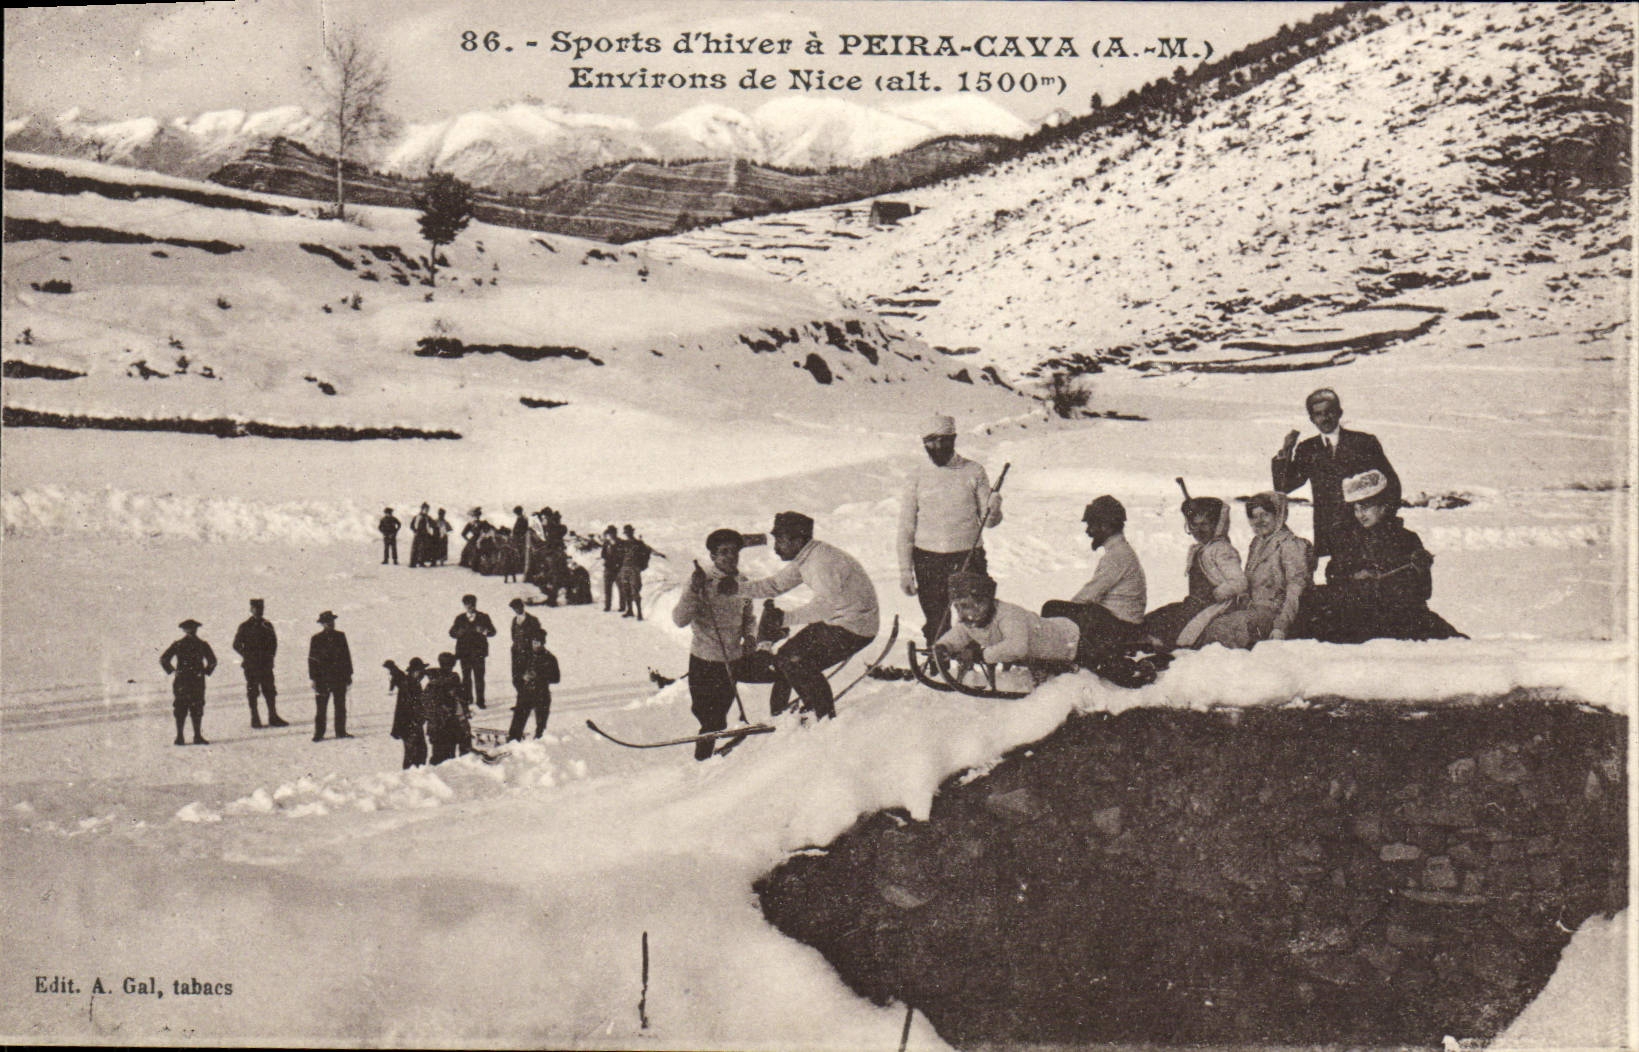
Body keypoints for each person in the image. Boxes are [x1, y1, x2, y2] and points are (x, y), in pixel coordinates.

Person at [731, 511, 879, 720]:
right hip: (839, 620)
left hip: (856, 627)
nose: (776, 547)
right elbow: (774, 585)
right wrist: (737, 589)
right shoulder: (806, 557)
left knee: (797, 662)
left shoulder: (821, 563)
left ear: (798, 540)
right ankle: (781, 715)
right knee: (786, 656)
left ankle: (823, 717)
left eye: (780, 541)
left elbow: (824, 607)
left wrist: (784, 619)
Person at [1304, 470, 1464, 643]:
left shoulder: (1406, 539)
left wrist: (1388, 581)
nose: (1360, 514)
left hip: (1397, 615)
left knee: (1449, 640)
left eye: (1365, 507)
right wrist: (1355, 578)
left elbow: (1423, 590)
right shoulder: (1347, 539)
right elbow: (1333, 575)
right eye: (1356, 509)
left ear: (1383, 505)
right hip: (1356, 612)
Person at [897, 413, 1004, 644]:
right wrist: (905, 570)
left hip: (967, 555)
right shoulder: (916, 476)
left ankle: (978, 666)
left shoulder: (974, 471)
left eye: (944, 440)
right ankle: (938, 666)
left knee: (978, 617)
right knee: (936, 621)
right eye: (931, 441)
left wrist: (994, 508)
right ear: (924, 442)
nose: (938, 446)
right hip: (927, 559)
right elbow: (906, 527)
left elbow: (989, 521)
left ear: (953, 439)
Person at [675, 529, 778, 760]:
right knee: (709, 719)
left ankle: (710, 759)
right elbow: (679, 619)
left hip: (731, 660)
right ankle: (702, 762)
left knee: (719, 716)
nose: (730, 557)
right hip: (704, 662)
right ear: (712, 556)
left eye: (734, 551)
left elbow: (749, 617)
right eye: (723, 552)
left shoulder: (742, 582)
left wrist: (750, 637)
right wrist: (693, 590)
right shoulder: (701, 582)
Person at [1272, 388, 1401, 560]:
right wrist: (1285, 452)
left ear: (1339, 413)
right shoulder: (1308, 449)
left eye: (1329, 412)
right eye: (1318, 414)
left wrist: (1382, 522)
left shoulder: (1363, 442)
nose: (1325, 418)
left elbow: (1391, 484)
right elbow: (1284, 486)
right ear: (1312, 419)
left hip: (1366, 533)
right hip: (1330, 535)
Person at [1040, 496, 1148, 658]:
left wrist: (1063, 618)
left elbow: (1086, 596)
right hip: (1124, 623)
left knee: (1052, 608)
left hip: (1121, 627)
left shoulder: (1116, 556)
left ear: (1105, 526)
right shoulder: (1121, 551)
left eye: (1091, 525)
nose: (1088, 531)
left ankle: (1055, 657)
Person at [1142, 497, 1248, 650]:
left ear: (1217, 525)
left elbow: (1239, 582)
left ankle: (1163, 649)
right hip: (1195, 603)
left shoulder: (1221, 550)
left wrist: (1216, 594)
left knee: (1173, 627)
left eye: (1205, 524)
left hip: (1213, 605)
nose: (1199, 530)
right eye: (1194, 525)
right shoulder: (1200, 549)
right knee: (1157, 617)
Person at [936, 571, 1084, 670]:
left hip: (1071, 642)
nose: (960, 612)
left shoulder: (1009, 615)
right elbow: (959, 633)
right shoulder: (973, 619)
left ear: (983, 603)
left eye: (965, 606)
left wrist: (980, 655)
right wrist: (944, 646)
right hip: (1043, 652)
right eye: (957, 607)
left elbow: (1017, 647)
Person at [1236, 492, 1314, 645]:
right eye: (1254, 516)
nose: (1259, 521)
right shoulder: (1258, 543)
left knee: (1225, 629)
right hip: (1253, 610)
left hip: (1277, 615)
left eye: (1264, 515)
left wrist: (1281, 626)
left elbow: (1295, 590)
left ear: (1278, 514)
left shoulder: (1290, 545)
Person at [231, 598, 287, 728]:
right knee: (253, 691)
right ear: (251, 609)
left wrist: (270, 657)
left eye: (261, 608)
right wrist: (248, 655)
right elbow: (236, 644)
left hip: (265, 664)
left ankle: (273, 716)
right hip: (251, 665)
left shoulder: (267, 625)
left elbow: (274, 643)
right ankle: (255, 718)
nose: (259, 611)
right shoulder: (245, 626)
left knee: (270, 690)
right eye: (256, 608)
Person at [161, 618, 216, 746]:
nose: (191, 631)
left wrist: (174, 671)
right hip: (188, 680)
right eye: (189, 629)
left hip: (188, 680)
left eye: (192, 628)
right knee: (183, 708)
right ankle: (181, 736)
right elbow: (164, 659)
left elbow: (212, 660)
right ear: (184, 630)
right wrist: (173, 671)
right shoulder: (182, 644)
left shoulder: (200, 645)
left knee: (195, 708)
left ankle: (194, 736)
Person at [308, 610, 354, 740]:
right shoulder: (316, 639)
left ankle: (341, 732)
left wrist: (349, 674)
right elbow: (312, 660)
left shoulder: (341, 636)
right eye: (327, 622)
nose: (330, 624)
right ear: (322, 624)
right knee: (321, 708)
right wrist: (314, 679)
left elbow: (346, 656)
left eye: (332, 621)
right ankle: (319, 733)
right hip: (322, 679)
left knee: (340, 706)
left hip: (339, 678)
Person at [507, 633, 560, 741]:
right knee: (517, 724)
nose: (536, 645)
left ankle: (537, 746)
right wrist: (523, 678)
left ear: (543, 643)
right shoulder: (525, 656)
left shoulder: (550, 658)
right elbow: (516, 675)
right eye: (534, 642)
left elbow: (556, 678)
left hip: (542, 694)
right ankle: (512, 743)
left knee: (541, 727)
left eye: (538, 643)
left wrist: (539, 676)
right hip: (526, 693)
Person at [449, 594, 497, 709]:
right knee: (466, 678)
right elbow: (451, 632)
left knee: (479, 678)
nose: (470, 606)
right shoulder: (460, 618)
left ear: (475, 604)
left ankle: (480, 700)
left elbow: (493, 632)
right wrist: (458, 633)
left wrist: (484, 631)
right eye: (467, 604)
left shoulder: (483, 617)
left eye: (472, 604)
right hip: (464, 653)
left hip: (478, 653)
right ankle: (468, 698)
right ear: (464, 605)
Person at [424, 652, 469, 764]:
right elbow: (461, 701)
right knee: (448, 759)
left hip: (436, 727)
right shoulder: (453, 680)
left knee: (439, 757)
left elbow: (426, 705)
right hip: (448, 726)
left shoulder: (431, 683)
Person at [386, 658, 429, 768]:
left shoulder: (411, 682)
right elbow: (413, 705)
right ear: (414, 672)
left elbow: (399, 674)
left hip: (412, 724)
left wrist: (392, 667)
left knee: (420, 752)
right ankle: (411, 777)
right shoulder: (409, 684)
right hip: (409, 725)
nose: (422, 675)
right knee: (415, 753)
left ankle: (414, 775)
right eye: (421, 672)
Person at [617, 525, 658, 621]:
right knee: (626, 590)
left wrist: (642, 566)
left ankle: (639, 613)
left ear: (632, 532)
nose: (628, 534)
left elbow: (646, 553)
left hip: (634, 569)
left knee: (635, 590)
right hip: (624, 569)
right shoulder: (623, 544)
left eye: (629, 532)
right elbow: (619, 556)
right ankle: (630, 610)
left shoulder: (639, 543)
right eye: (626, 533)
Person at [508, 597, 543, 699]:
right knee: (516, 679)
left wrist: (535, 649)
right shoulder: (515, 620)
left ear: (522, 607)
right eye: (514, 608)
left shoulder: (533, 620)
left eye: (518, 607)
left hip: (529, 653)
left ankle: (530, 701)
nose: (517, 610)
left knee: (529, 677)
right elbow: (513, 636)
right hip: (517, 653)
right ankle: (521, 700)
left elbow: (538, 636)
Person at [599, 525, 622, 611]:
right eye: (610, 533)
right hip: (608, 568)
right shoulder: (606, 543)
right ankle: (607, 605)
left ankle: (622, 606)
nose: (611, 534)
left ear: (615, 533)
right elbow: (603, 554)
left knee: (621, 588)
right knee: (607, 589)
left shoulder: (620, 542)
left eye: (613, 532)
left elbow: (622, 555)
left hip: (618, 569)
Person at [408, 503, 435, 568]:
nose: (427, 511)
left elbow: (433, 524)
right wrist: (415, 531)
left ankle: (421, 562)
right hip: (418, 534)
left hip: (425, 535)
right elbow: (412, 525)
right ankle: (413, 563)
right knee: (415, 548)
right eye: (425, 509)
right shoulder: (417, 517)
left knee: (423, 549)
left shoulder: (427, 518)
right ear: (422, 509)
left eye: (427, 510)